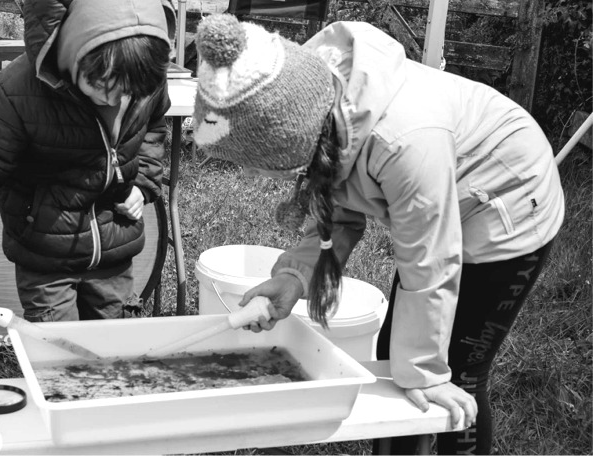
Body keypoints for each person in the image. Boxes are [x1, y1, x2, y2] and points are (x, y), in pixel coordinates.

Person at [191, 14, 565, 455]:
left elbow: (430, 261)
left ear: (288, 139)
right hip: (435, 200)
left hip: (506, 198)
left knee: (454, 372)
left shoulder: (404, 142)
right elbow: (337, 203)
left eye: (252, 164)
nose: (251, 175)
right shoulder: (310, 97)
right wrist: (295, 276)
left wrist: (425, 373)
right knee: (395, 362)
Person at [0, 0, 176, 326]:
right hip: (45, 261)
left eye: (127, 92)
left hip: (115, 251)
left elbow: (154, 126)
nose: (112, 100)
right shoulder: (18, 90)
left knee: (114, 347)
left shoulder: (145, 71)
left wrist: (143, 181)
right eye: (100, 86)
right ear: (74, 51)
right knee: (57, 350)